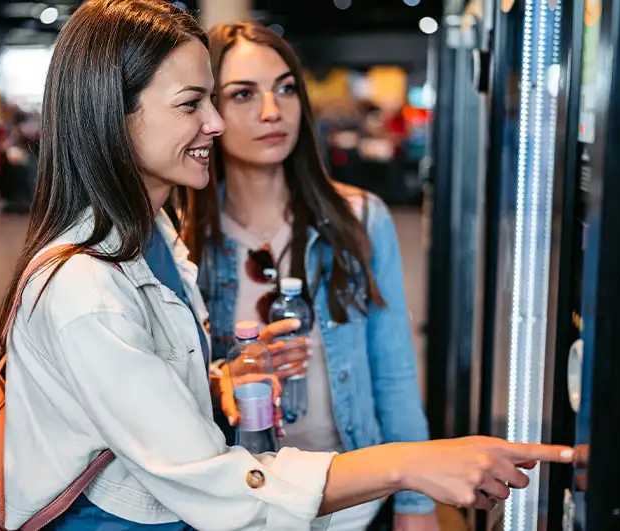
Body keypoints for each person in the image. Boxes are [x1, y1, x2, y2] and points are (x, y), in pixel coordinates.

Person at [0, 1, 575, 530]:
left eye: (283, 90)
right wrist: (407, 464)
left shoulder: (155, 242)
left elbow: (388, 375)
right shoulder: (88, 286)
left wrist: (223, 378)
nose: (220, 121)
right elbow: (212, 481)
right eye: (197, 102)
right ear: (113, 117)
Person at [185, 22, 434, 530]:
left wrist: (416, 502)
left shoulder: (359, 219)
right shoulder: (182, 237)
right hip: (237, 500)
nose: (272, 111)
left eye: (285, 88)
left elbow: (394, 374)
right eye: (243, 95)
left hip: (353, 494)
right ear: (208, 111)